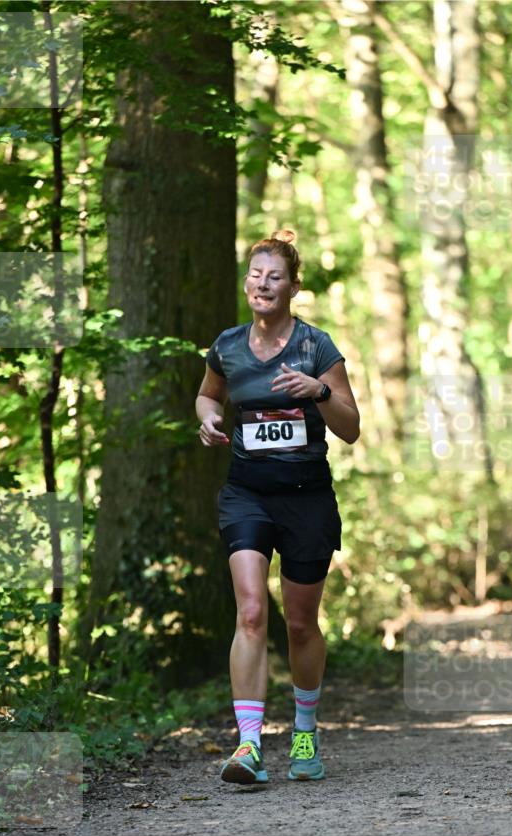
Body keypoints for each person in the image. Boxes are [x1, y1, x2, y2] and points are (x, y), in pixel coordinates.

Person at [195, 229, 360, 785]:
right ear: (247, 282)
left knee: (301, 623)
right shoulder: (228, 346)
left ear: (293, 287)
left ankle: (305, 731)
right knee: (249, 611)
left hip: (306, 497)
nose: (263, 284)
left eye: (275, 277)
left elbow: (351, 427)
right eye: (255, 275)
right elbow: (208, 393)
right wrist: (208, 418)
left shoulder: (316, 347)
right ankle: (248, 745)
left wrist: (318, 392)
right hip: (247, 493)